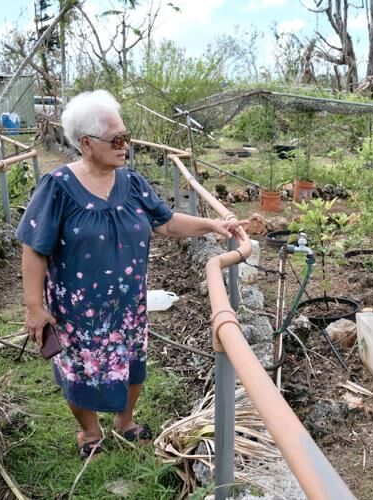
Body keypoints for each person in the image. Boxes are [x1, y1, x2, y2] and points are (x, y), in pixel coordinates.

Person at [16, 89, 247, 459]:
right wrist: (34, 306)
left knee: (132, 365)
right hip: (78, 311)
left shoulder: (133, 183)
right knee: (81, 372)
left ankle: (125, 422)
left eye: (127, 138)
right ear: (87, 143)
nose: (126, 146)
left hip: (129, 305)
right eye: (117, 140)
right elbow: (33, 248)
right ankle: (90, 434)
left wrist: (214, 225)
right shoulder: (57, 187)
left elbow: (167, 223)